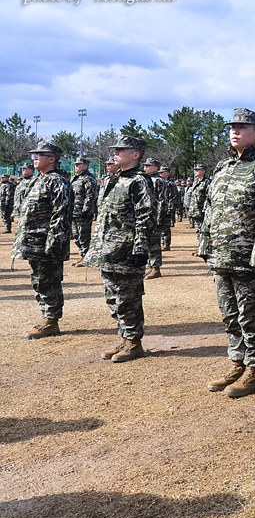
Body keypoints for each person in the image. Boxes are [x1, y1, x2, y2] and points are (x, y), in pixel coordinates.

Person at [199, 108, 255, 398]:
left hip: (249, 258)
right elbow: (210, 209)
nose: (235, 131)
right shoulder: (222, 167)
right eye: (232, 127)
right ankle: (237, 362)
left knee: (252, 315)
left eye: (242, 127)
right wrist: (205, 244)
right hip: (221, 255)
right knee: (229, 314)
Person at [84, 136, 156, 361]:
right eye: (115, 149)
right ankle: (124, 337)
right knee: (112, 297)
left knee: (128, 298)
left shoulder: (139, 181)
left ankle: (134, 342)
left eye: (121, 150)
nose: (115, 152)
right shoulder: (113, 179)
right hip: (107, 249)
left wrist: (140, 247)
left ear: (135, 154)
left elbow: (146, 216)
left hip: (126, 250)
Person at [12, 141, 74, 339]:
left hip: (47, 243)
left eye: (40, 154)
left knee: (49, 281)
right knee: (39, 280)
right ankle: (46, 316)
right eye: (34, 154)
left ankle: (51, 320)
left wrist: (54, 243)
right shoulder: (38, 180)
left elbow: (61, 214)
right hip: (33, 242)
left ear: (52, 159)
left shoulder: (57, 181)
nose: (34, 157)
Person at [142, 157, 169, 279]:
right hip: (146, 216)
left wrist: (158, 218)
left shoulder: (159, 181)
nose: (145, 167)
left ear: (156, 168)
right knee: (147, 242)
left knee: (154, 243)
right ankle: (151, 266)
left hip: (154, 217)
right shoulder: (146, 180)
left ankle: (156, 268)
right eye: (145, 165)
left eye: (148, 166)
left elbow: (162, 201)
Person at [70, 156, 98, 266]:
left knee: (84, 235)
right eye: (75, 164)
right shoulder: (75, 178)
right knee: (76, 235)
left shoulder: (88, 178)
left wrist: (85, 210)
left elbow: (90, 196)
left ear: (85, 166)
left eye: (78, 164)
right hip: (74, 211)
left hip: (83, 212)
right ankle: (82, 255)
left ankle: (87, 256)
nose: (76, 166)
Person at [187, 164, 210, 255]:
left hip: (202, 211)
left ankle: (204, 249)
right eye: (195, 170)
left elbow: (208, 197)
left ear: (203, 171)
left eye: (198, 170)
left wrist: (205, 210)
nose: (196, 171)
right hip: (195, 210)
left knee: (203, 231)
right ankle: (201, 248)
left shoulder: (207, 182)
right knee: (198, 230)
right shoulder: (196, 181)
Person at [158, 166, 178, 250]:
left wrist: (170, 208)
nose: (161, 173)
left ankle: (166, 244)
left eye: (163, 172)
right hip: (160, 207)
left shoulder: (171, 184)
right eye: (160, 172)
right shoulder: (160, 182)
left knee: (165, 227)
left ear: (167, 173)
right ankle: (162, 243)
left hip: (166, 208)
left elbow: (173, 197)